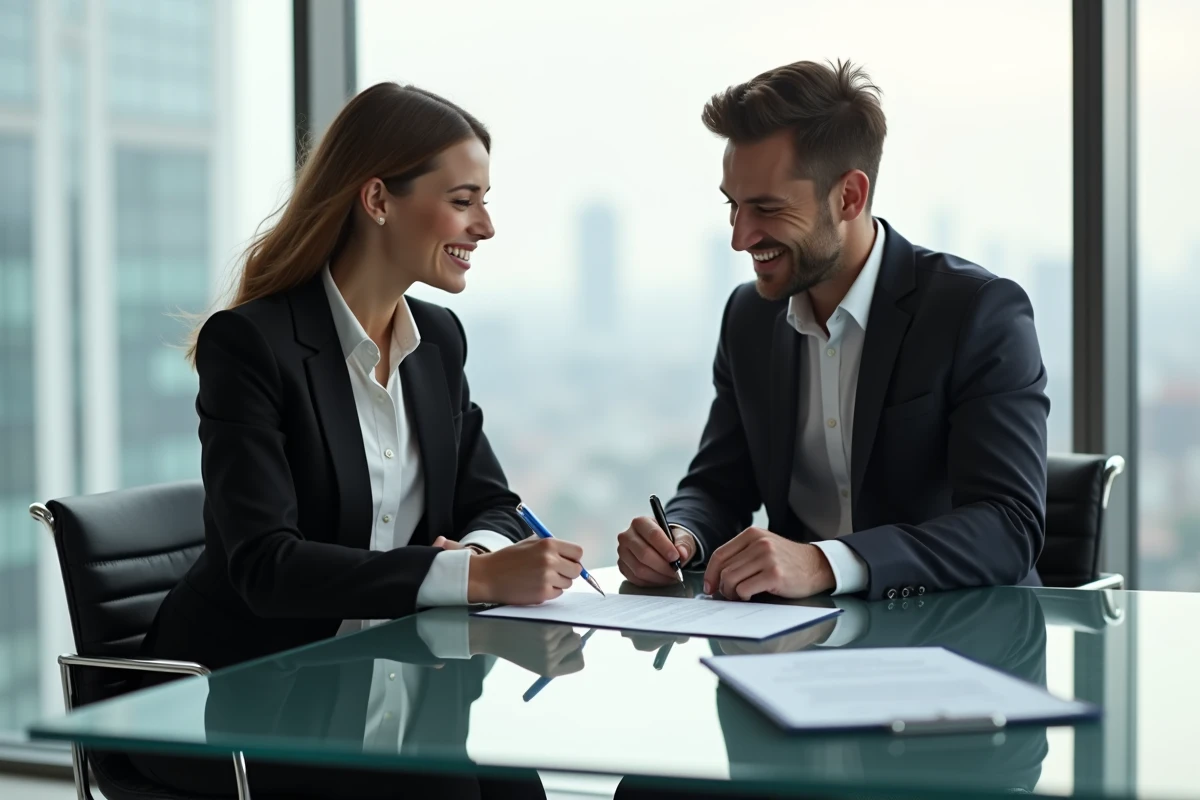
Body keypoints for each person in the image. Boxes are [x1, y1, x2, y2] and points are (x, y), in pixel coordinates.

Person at [130, 82, 579, 799]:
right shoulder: (251, 344)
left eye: (484, 200)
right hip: (257, 703)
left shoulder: (438, 341)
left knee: (515, 787)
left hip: (400, 681)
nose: (486, 226)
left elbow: (494, 503)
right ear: (377, 200)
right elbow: (266, 568)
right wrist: (471, 580)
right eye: (463, 200)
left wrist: (481, 554)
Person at [616, 59, 1049, 603]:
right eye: (734, 205)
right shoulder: (749, 317)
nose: (740, 237)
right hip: (796, 634)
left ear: (849, 197)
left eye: (766, 208)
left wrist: (825, 562)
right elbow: (719, 484)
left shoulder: (976, 312)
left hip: (957, 629)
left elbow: (1009, 526)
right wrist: (681, 536)